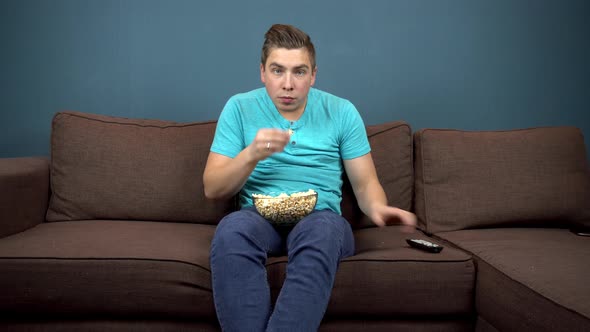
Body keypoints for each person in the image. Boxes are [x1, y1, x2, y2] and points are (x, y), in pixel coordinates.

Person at [203, 23, 417, 332]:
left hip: (322, 218)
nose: (288, 84)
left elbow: (366, 183)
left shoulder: (342, 112)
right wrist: (251, 154)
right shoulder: (239, 108)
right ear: (262, 72)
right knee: (232, 229)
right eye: (277, 71)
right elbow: (212, 187)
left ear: (313, 75)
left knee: (323, 231)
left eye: (299, 72)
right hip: (259, 217)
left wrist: (378, 208)